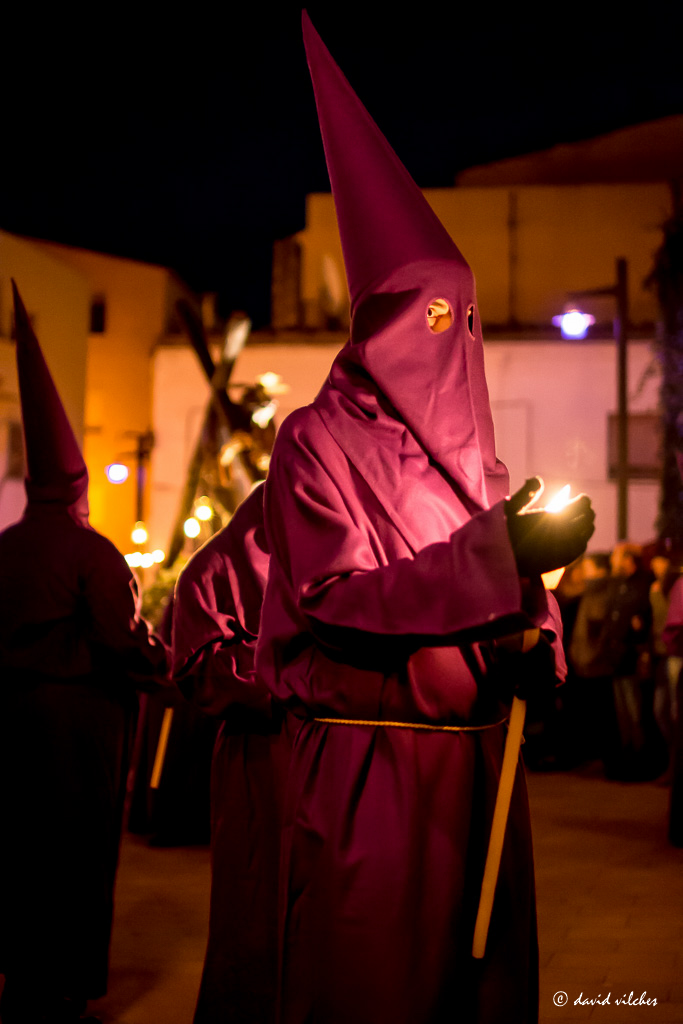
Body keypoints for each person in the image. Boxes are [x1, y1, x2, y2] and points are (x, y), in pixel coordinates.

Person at [254, 15, 595, 1024]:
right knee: (374, 989)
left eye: (465, 315)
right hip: (374, 772)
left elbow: (510, 581)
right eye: (433, 316)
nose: (456, 341)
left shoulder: (471, 444)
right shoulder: (312, 441)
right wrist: (497, 557)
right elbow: (333, 599)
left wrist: (539, 638)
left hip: (477, 771)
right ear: (382, 322)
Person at [0, 283, 169, 1024]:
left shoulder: (4, 547)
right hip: (77, 729)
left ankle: (17, 983)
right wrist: (162, 662)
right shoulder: (90, 551)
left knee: (15, 854)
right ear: (78, 490)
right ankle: (59, 994)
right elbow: (117, 636)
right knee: (72, 858)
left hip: (10, 720)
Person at [172, 483, 291, 1024]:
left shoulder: (327, 553)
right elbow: (203, 671)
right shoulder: (212, 569)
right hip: (260, 757)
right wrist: (291, 671)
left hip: (337, 750)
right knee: (258, 901)